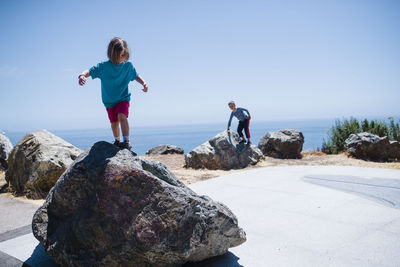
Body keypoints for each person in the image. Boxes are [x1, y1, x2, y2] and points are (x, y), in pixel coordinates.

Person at [78, 37, 148, 151]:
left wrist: (143, 83)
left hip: (123, 98)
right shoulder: (104, 67)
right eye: (122, 55)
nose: (124, 57)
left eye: (125, 54)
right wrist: (81, 75)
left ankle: (126, 141)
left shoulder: (128, 66)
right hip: (109, 101)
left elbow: (136, 76)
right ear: (113, 54)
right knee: (114, 122)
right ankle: (117, 140)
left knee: (122, 116)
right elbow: (89, 71)